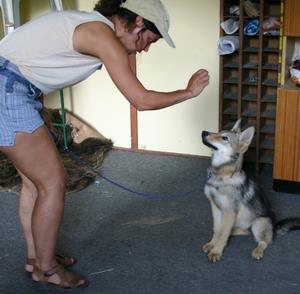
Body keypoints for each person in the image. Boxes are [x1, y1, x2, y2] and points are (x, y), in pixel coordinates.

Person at [0, 0, 209, 289]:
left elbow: (32, 60)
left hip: (15, 88)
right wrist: (188, 92)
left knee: (35, 183)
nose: (144, 48)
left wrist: (38, 106)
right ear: (137, 22)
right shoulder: (102, 35)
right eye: (148, 40)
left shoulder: (91, 25)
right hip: (7, 91)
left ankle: (37, 258)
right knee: (53, 182)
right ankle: (47, 270)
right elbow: (141, 100)